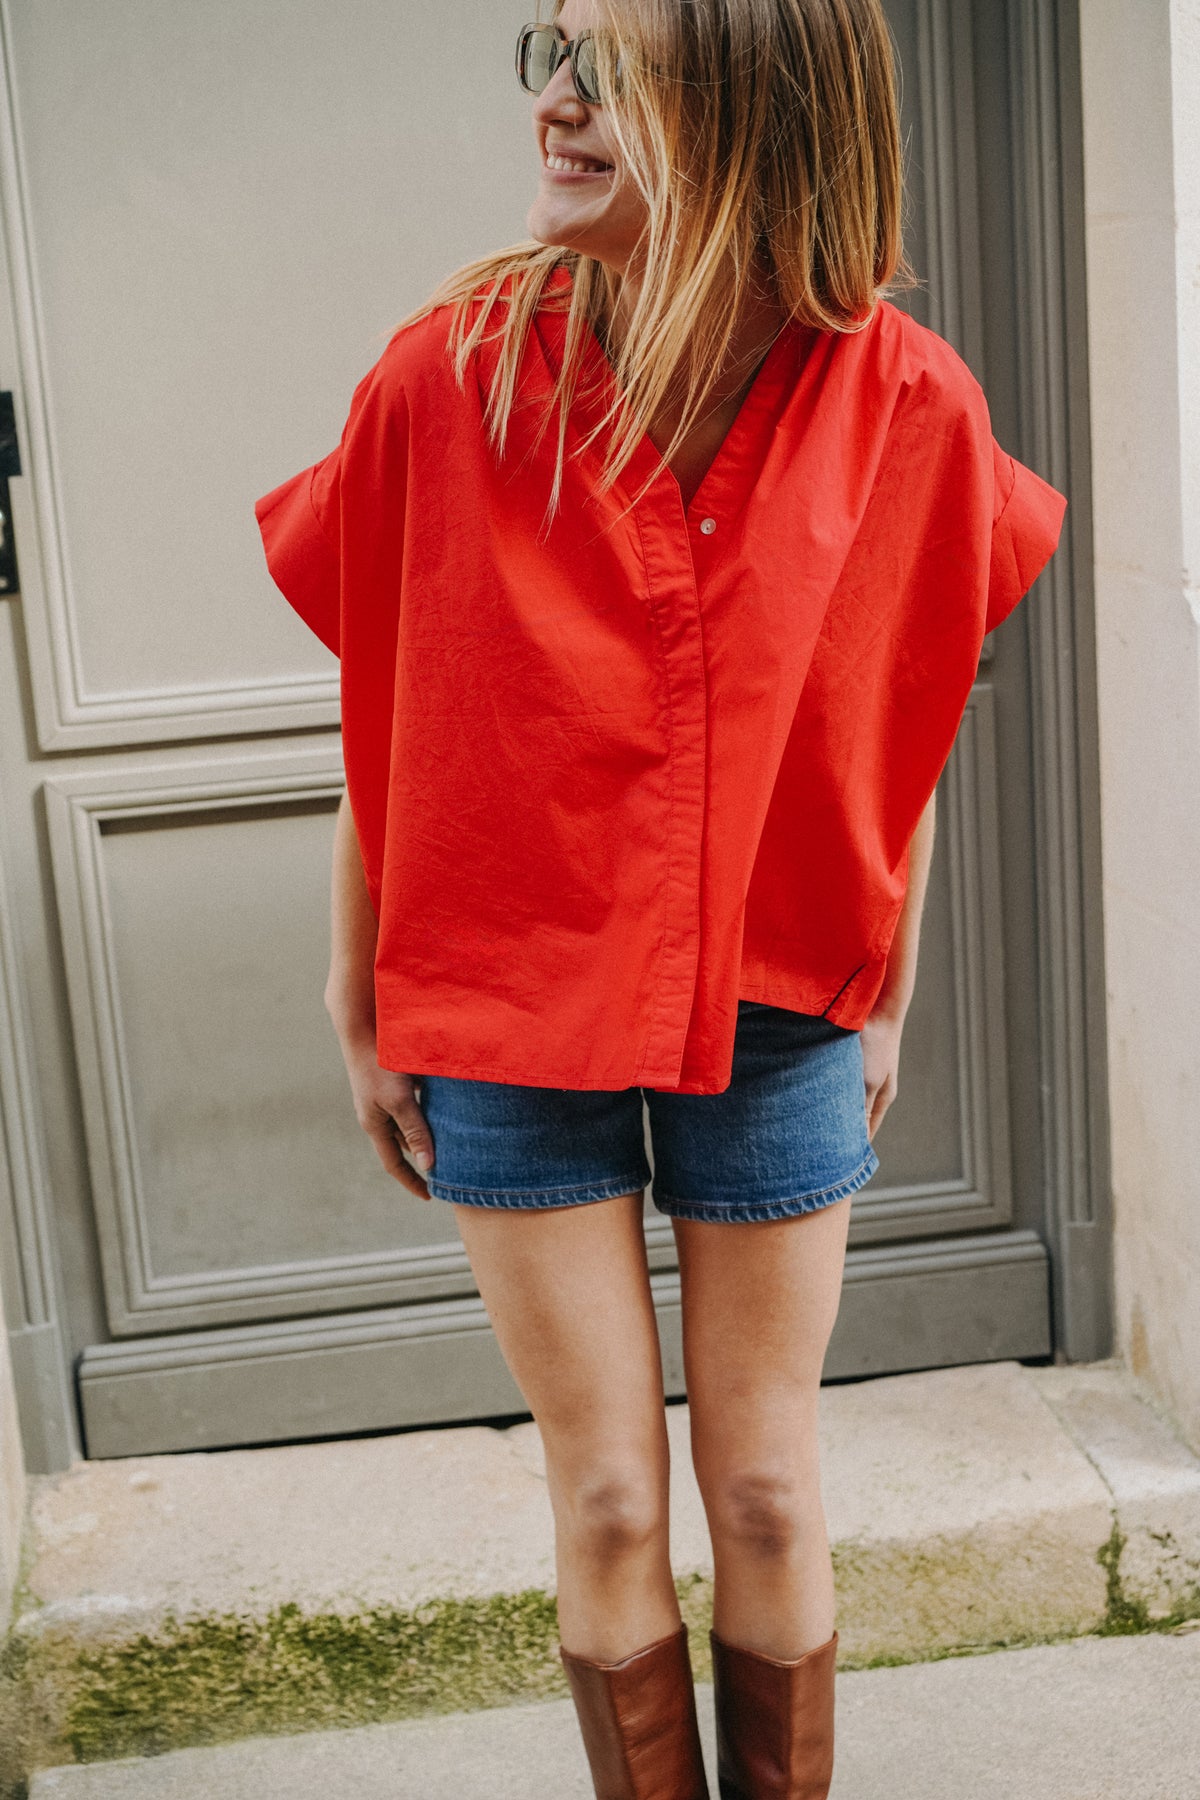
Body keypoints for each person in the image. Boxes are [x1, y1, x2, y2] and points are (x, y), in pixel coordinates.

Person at [255, 1, 1067, 1793]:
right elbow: (395, 703)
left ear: (759, 114)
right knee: (612, 1492)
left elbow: (899, 718)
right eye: (546, 52)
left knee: (764, 1486)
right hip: (506, 1000)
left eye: (609, 74)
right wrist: (359, 992)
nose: (553, 106)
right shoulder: (446, 377)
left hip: (778, 1002)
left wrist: (883, 990)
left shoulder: (906, 405)